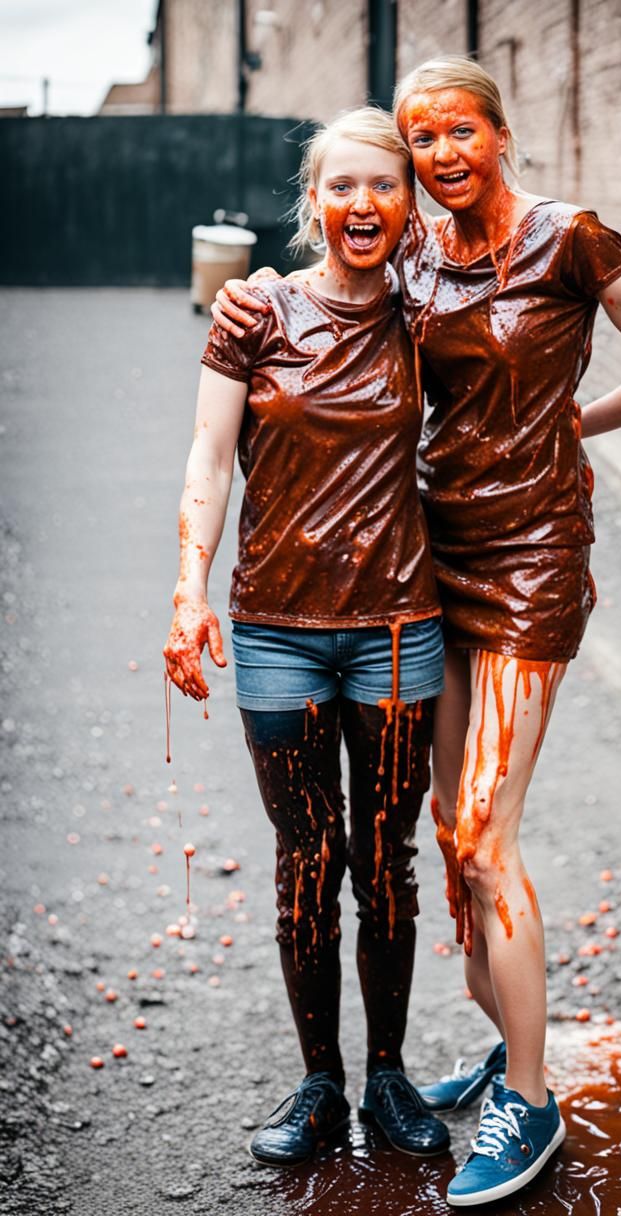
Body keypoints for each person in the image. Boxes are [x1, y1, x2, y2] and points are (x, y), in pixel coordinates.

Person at [213, 56, 621, 1207]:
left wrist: (569, 426)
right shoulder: (420, 254)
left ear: (499, 132)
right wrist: (248, 297)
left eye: (456, 135)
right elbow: (328, 286)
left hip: (532, 560)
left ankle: (527, 1099)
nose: (436, 159)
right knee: (446, 835)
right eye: (418, 139)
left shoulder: (571, 239)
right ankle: (508, 1038)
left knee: (485, 833)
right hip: (436, 552)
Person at [164, 107, 452, 1169]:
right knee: (305, 860)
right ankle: (320, 1082)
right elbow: (207, 457)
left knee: (384, 862)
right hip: (277, 631)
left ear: (407, 203)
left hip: (393, 634)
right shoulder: (253, 315)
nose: (363, 205)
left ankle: (387, 1074)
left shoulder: (428, 318)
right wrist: (187, 591)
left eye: (385, 186)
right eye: (343, 187)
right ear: (314, 203)